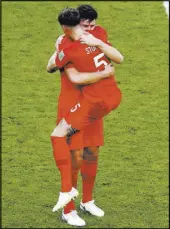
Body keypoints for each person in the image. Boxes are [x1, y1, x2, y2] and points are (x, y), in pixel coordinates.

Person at [47, 5, 123, 226]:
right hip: (72, 104)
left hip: (92, 105)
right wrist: (103, 74)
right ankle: (68, 210)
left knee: (92, 152)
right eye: (85, 24)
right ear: (75, 24)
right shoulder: (65, 43)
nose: (90, 27)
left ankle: (87, 200)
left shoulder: (98, 33)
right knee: (74, 157)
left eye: (93, 23)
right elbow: (67, 74)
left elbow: (114, 56)